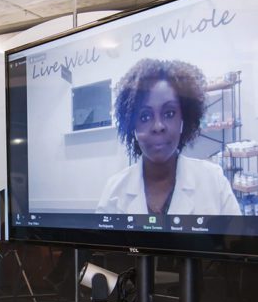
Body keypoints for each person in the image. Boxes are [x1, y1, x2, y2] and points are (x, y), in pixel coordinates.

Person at [96, 58, 241, 216]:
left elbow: (235, 241)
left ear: (183, 119)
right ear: (133, 127)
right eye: (145, 117)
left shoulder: (214, 181)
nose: (158, 126)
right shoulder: (114, 191)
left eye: (169, 113)